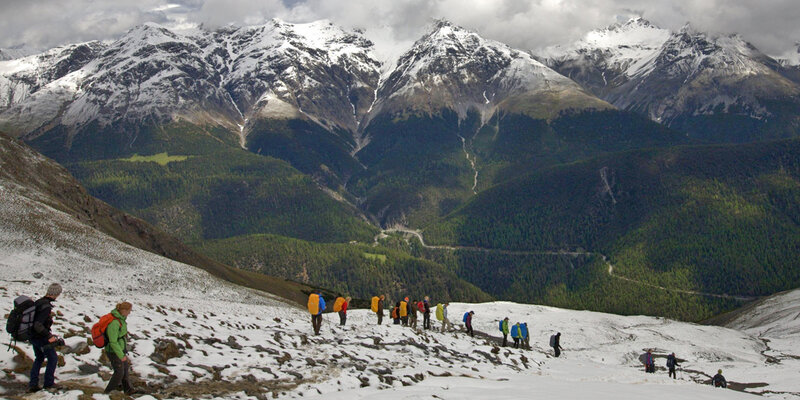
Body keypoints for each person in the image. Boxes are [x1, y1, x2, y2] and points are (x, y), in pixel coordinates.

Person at [29, 283, 62, 393]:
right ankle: (49, 384)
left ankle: (33, 384)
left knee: (39, 358)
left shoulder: (39, 302)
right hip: (41, 337)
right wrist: (49, 336)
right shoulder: (46, 306)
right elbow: (38, 324)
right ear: (56, 294)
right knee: (52, 358)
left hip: (33, 336)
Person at [104, 302, 135, 395]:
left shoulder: (121, 320)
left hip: (120, 349)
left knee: (125, 369)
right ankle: (107, 393)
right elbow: (113, 341)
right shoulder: (115, 323)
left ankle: (128, 390)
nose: (130, 313)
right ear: (124, 310)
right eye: (129, 311)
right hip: (113, 351)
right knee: (119, 372)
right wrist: (121, 355)